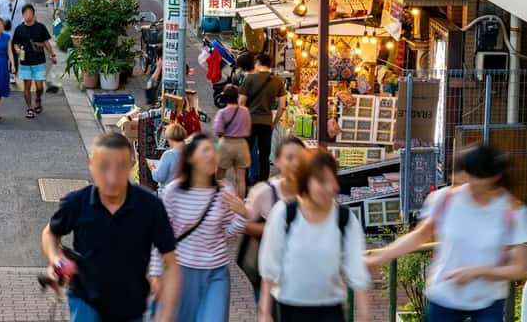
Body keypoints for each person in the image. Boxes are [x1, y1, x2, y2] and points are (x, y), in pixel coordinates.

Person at [365, 143, 527, 322]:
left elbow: (519, 268)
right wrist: (380, 257)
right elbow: (418, 236)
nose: (465, 184)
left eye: (472, 178)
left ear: (492, 178)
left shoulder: (512, 212)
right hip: (444, 297)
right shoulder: (445, 199)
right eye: (463, 177)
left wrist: (478, 272)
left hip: (488, 302)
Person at [43, 133, 180, 322]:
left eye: (121, 167)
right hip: (85, 301)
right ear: (92, 164)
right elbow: (50, 233)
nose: (112, 177)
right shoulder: (76, 202)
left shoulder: (150, 206)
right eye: (104, 167)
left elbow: (171, 262)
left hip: (131, 307)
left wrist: (165, 316)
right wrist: (55, 258)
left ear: (131, 165)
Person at [259, 148, 370, 322]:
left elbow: (357, 270)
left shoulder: (345, 220)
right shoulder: (285, 214)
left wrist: (364, 315)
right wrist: (264, 313)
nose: (329, 187)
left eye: (332, 180)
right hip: (288, 309)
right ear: (305, 181)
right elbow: (269, 266)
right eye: (321, 181)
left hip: (330, 310)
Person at [149, 133, 248, 322]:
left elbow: (226, 232)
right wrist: (156, 273)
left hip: (216, 273)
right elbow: (162, 236)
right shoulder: (173, 191)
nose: (212, 156)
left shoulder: (224, 191)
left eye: (215, 151)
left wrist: (242, 215)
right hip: (182, 272)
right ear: (191, 157)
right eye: (206, 150)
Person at [241, 136, 305, 298]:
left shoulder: (312, 192)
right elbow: (245, 225)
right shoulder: (265, 191)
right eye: (289, 158)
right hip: (269, 273)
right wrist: (274, 229)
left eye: (300, 158)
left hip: (302, 273)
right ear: (277, 161)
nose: (295, 163)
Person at [238, 53, 286, 185]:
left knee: (247, 152)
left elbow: (241, 103)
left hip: (250, 122)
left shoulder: (250, 79)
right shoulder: (278, 81)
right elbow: (282, 106)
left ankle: (246, 181)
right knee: (264, 155)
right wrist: (274, 123)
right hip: (266, 123)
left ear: (258, 62)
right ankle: (264, 183)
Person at [11, 4, 56, 119]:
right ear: (23, 15)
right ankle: (30, 108)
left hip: (39, 61)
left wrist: (52, 54)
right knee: (27, 86)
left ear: (33, 14)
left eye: (29, 13)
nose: (27, 15)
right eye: (25, 13)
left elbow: (46, 42)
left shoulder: (40, 27)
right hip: (25, 62)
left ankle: (38, 98)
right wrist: (16, 49)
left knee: (40, 87)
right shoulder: (19, 29)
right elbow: (15, 43)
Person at [213, 85, 251, 198]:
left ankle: (216, 201)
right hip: (242, 144)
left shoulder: (222, 112)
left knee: (219, 176)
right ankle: (240, 204)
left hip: (225, 144)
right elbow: (248, 128)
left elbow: (217, 130)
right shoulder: (245, 111)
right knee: (241, 179)